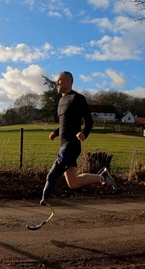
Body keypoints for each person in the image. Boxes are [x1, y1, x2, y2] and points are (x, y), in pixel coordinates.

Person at [40, 71, 117, 206]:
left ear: (68, 81)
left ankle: (44, 201)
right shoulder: (61, 101)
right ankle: (102, 177)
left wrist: (84, 134)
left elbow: (89, 121)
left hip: (71, 146)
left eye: (59, 80)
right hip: (64, 145)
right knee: (73, 183)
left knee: (51, 176)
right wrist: (56, 133)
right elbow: (66, 124)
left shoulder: (78, 98)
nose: (56, 83)